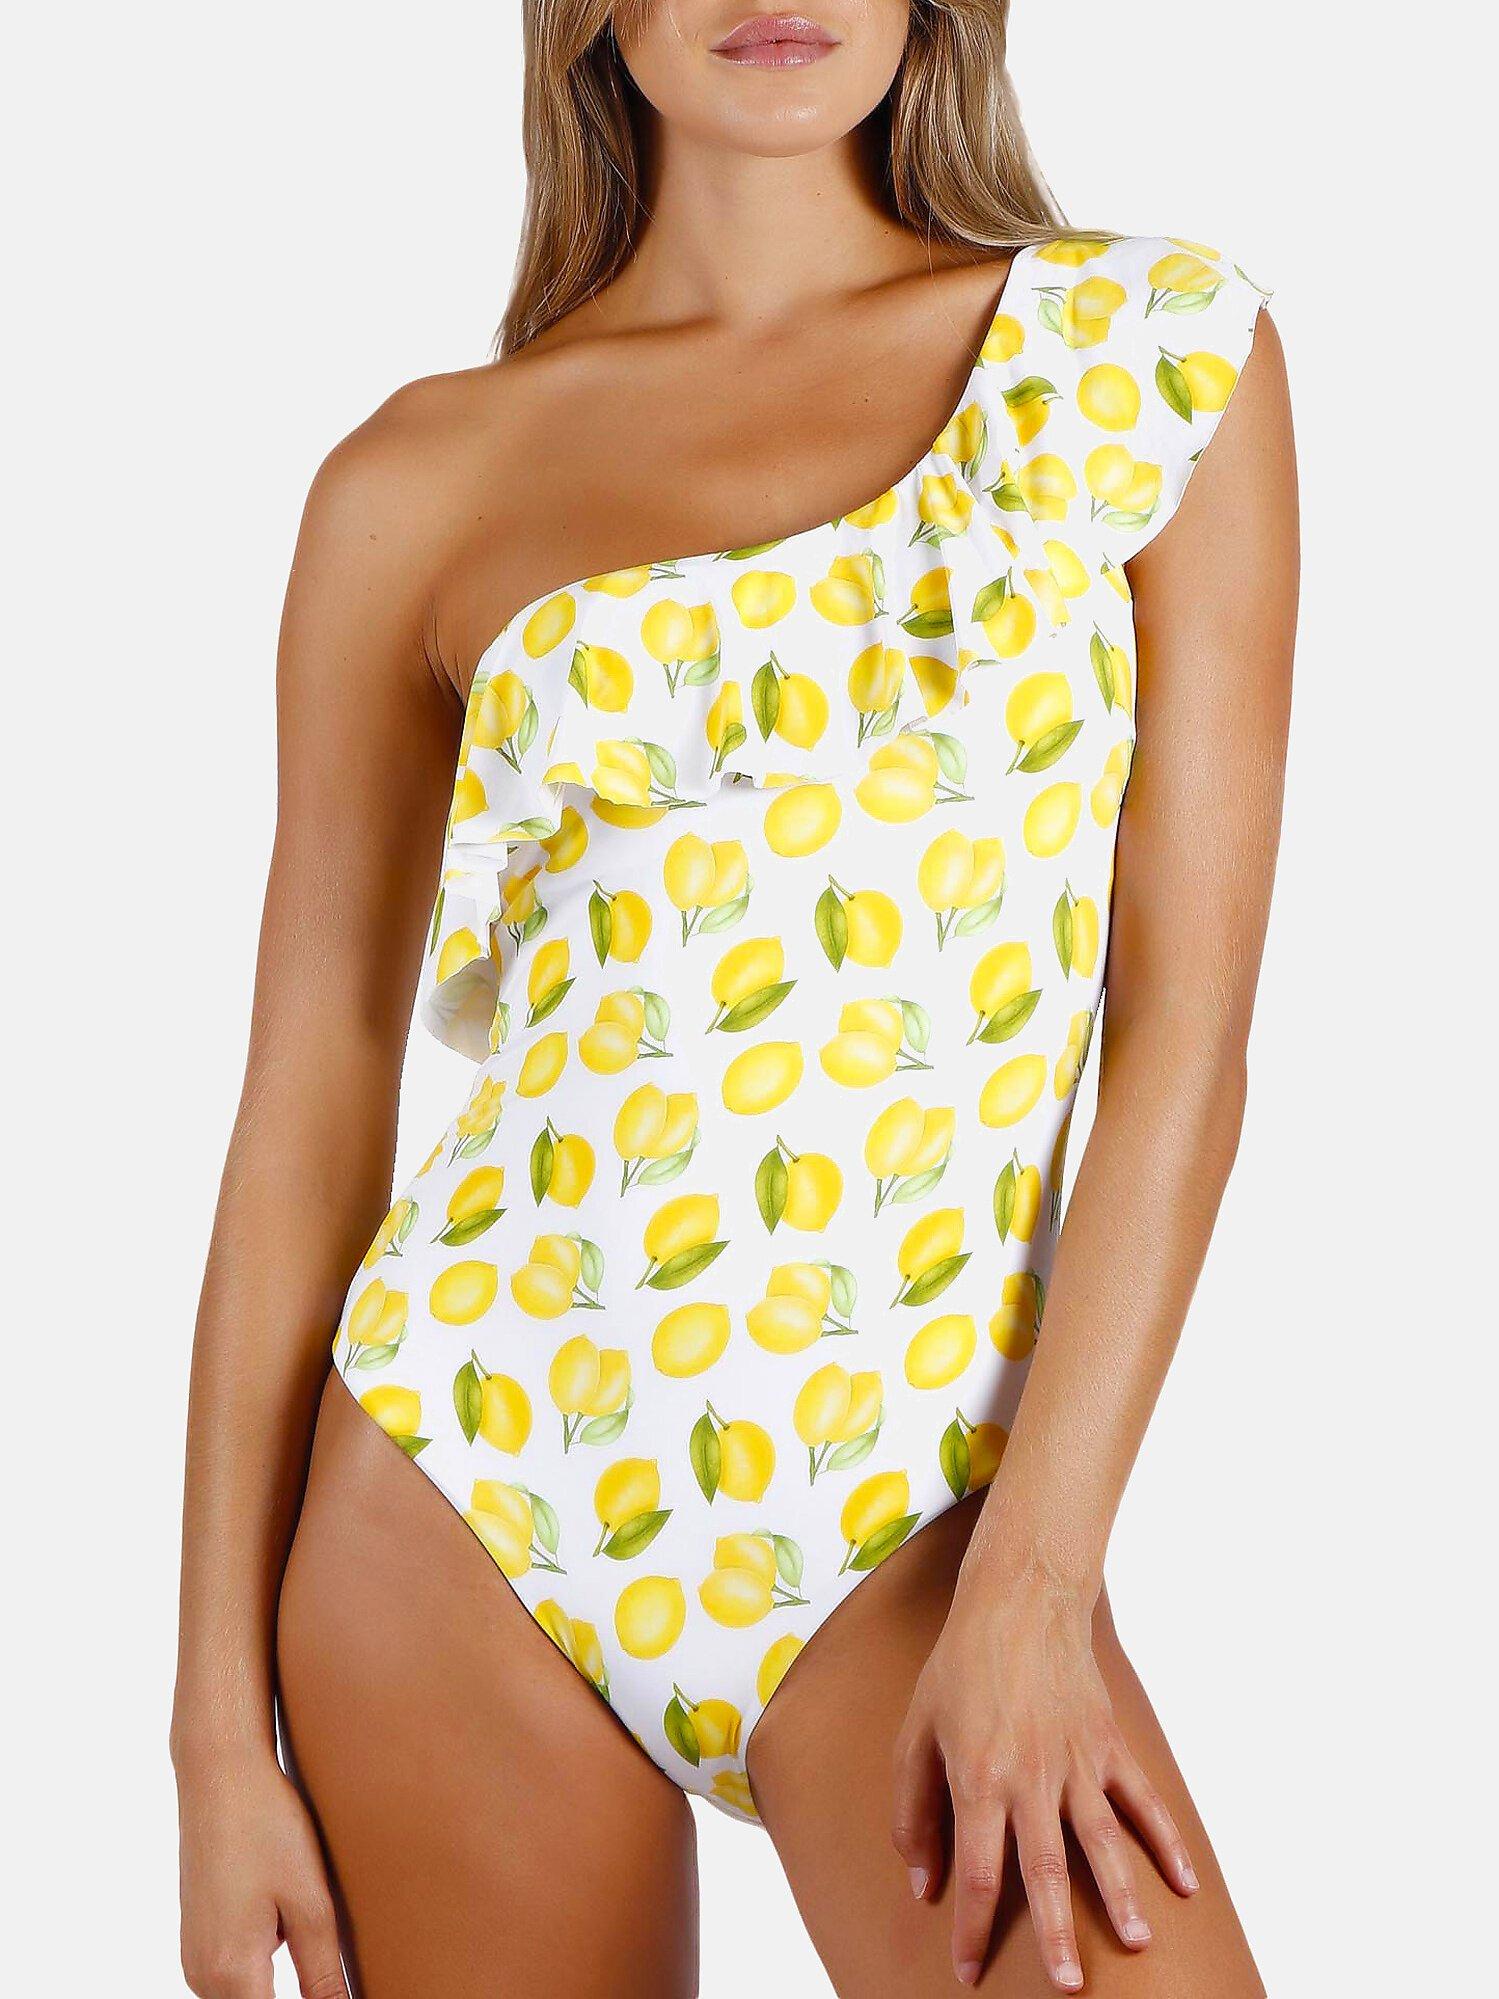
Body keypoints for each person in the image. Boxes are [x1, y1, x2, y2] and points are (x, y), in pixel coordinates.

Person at [173, 5, 1297, 1993]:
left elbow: (1184, 1036)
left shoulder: (1142, 351)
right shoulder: (414, 478)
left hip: (915, 1521)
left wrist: (1039, 1585)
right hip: (464, 1479)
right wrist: (207, 1732)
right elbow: (310, 1096)